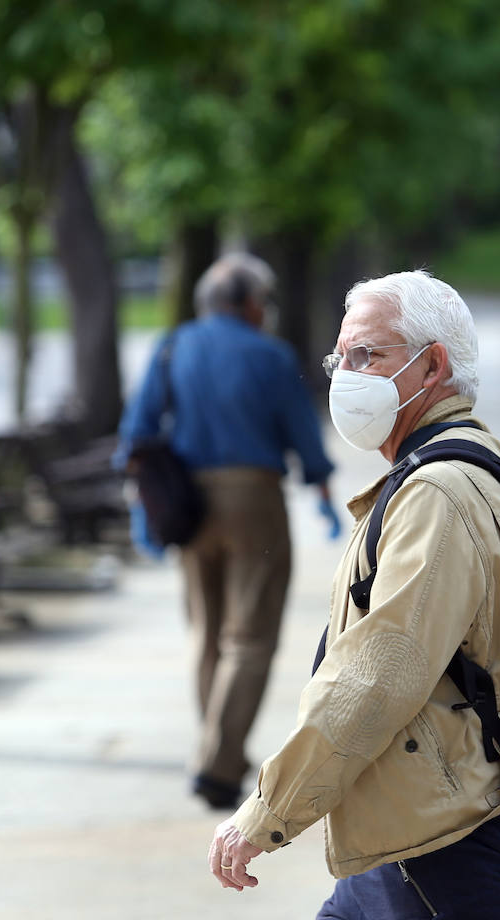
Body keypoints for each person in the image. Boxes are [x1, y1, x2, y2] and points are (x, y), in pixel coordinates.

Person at [206, 271, 500, 920]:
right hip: (386, 845)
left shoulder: (438, 492)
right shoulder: (432, 473)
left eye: (368, 355)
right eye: (341, 359)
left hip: (436, 848)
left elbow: (378, 674)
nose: (346, 376)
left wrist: (268, 812)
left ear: (433, 366)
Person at [117, 252, 339, 812]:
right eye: (262, 302)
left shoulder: (171, 347)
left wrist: (144, 510)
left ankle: (222, 750)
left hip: (188, 503)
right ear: (245, 304)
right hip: (254, 498)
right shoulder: (270, 355)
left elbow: (138, 433)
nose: (265, 312)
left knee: (207, 633)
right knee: (250, 637)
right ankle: (218, 765)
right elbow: (302, 435)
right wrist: (323, 491)